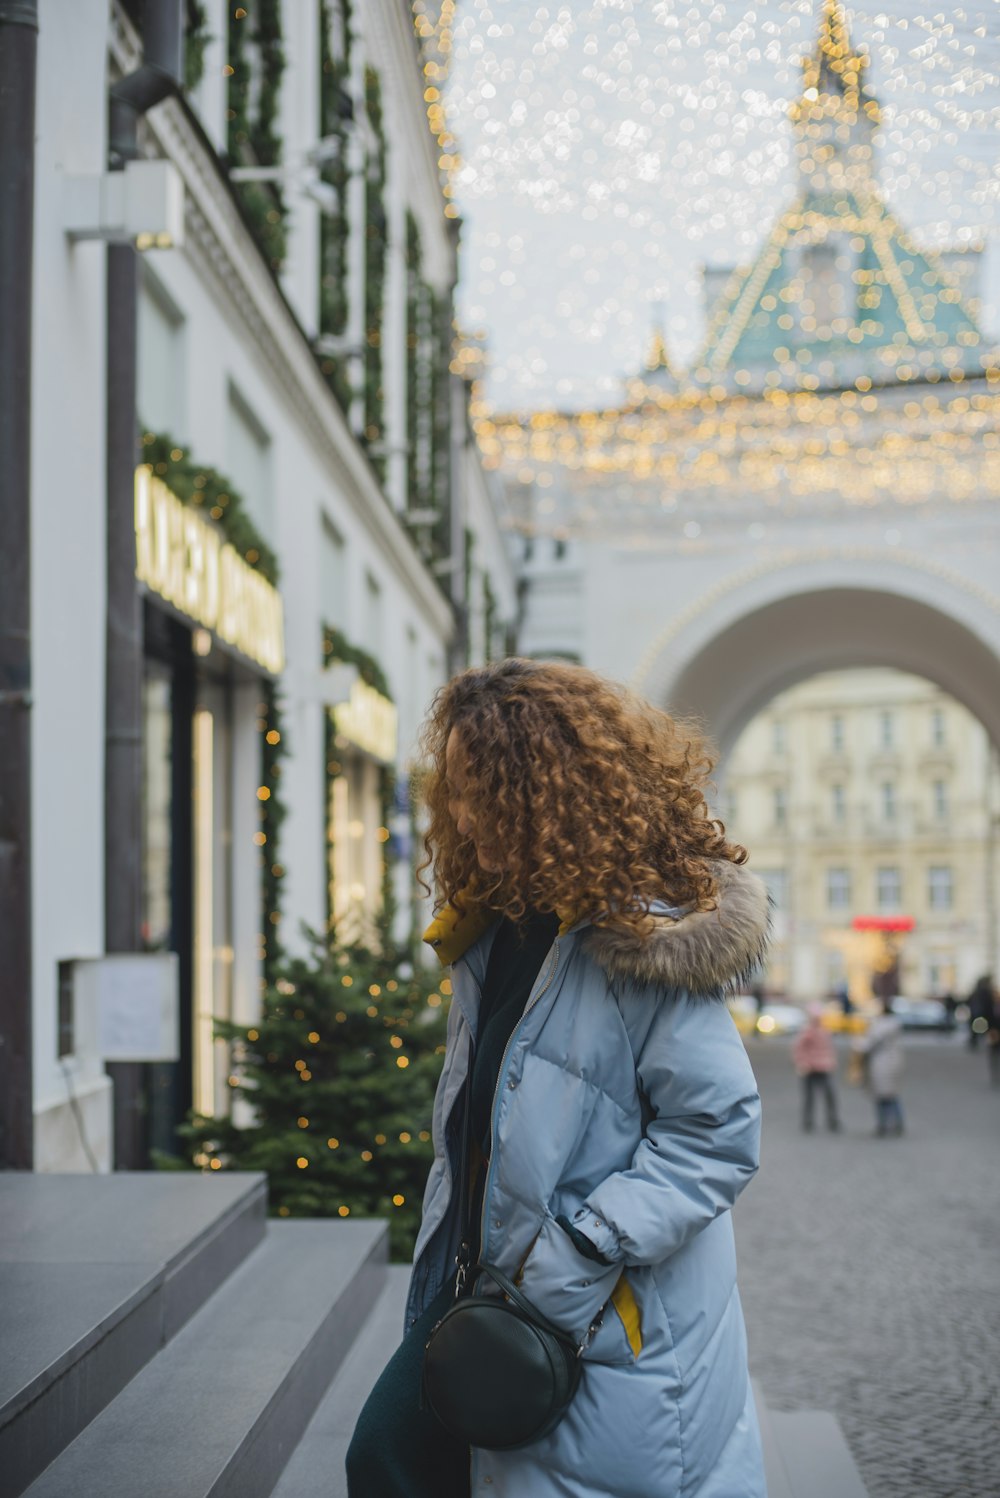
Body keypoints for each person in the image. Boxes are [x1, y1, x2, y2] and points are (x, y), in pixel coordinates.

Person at [346, 658, 770, 1498]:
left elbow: (719, 1134)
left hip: (601, 1311)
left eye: (487, 783)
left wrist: (579, 1250)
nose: (464, 807)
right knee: (388, 1457)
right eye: (457, 783)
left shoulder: (638, 940)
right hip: (489, 1285)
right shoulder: (490, 929)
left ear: (550, 787)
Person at [856, 996, 905, 1136]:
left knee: (882, 1096)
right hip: (895, 1063)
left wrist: (858, 1044)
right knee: (892, 1095)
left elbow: (868, 1044)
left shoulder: (880, 1027)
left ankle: (883, 1124)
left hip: (881, 1064)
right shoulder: (895, 1025)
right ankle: (897, 1123)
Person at [792, 1002, 840, 1132]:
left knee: (828, 1096)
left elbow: (828, 1049)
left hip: (824, 1067)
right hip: (810, 1068)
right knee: (810, 1097)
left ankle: (832, 1120)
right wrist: (802, 1062)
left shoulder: (824, 1031)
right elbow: (799, 1049)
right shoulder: (807, 1031)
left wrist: (831, 1062)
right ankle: (809, 1121)